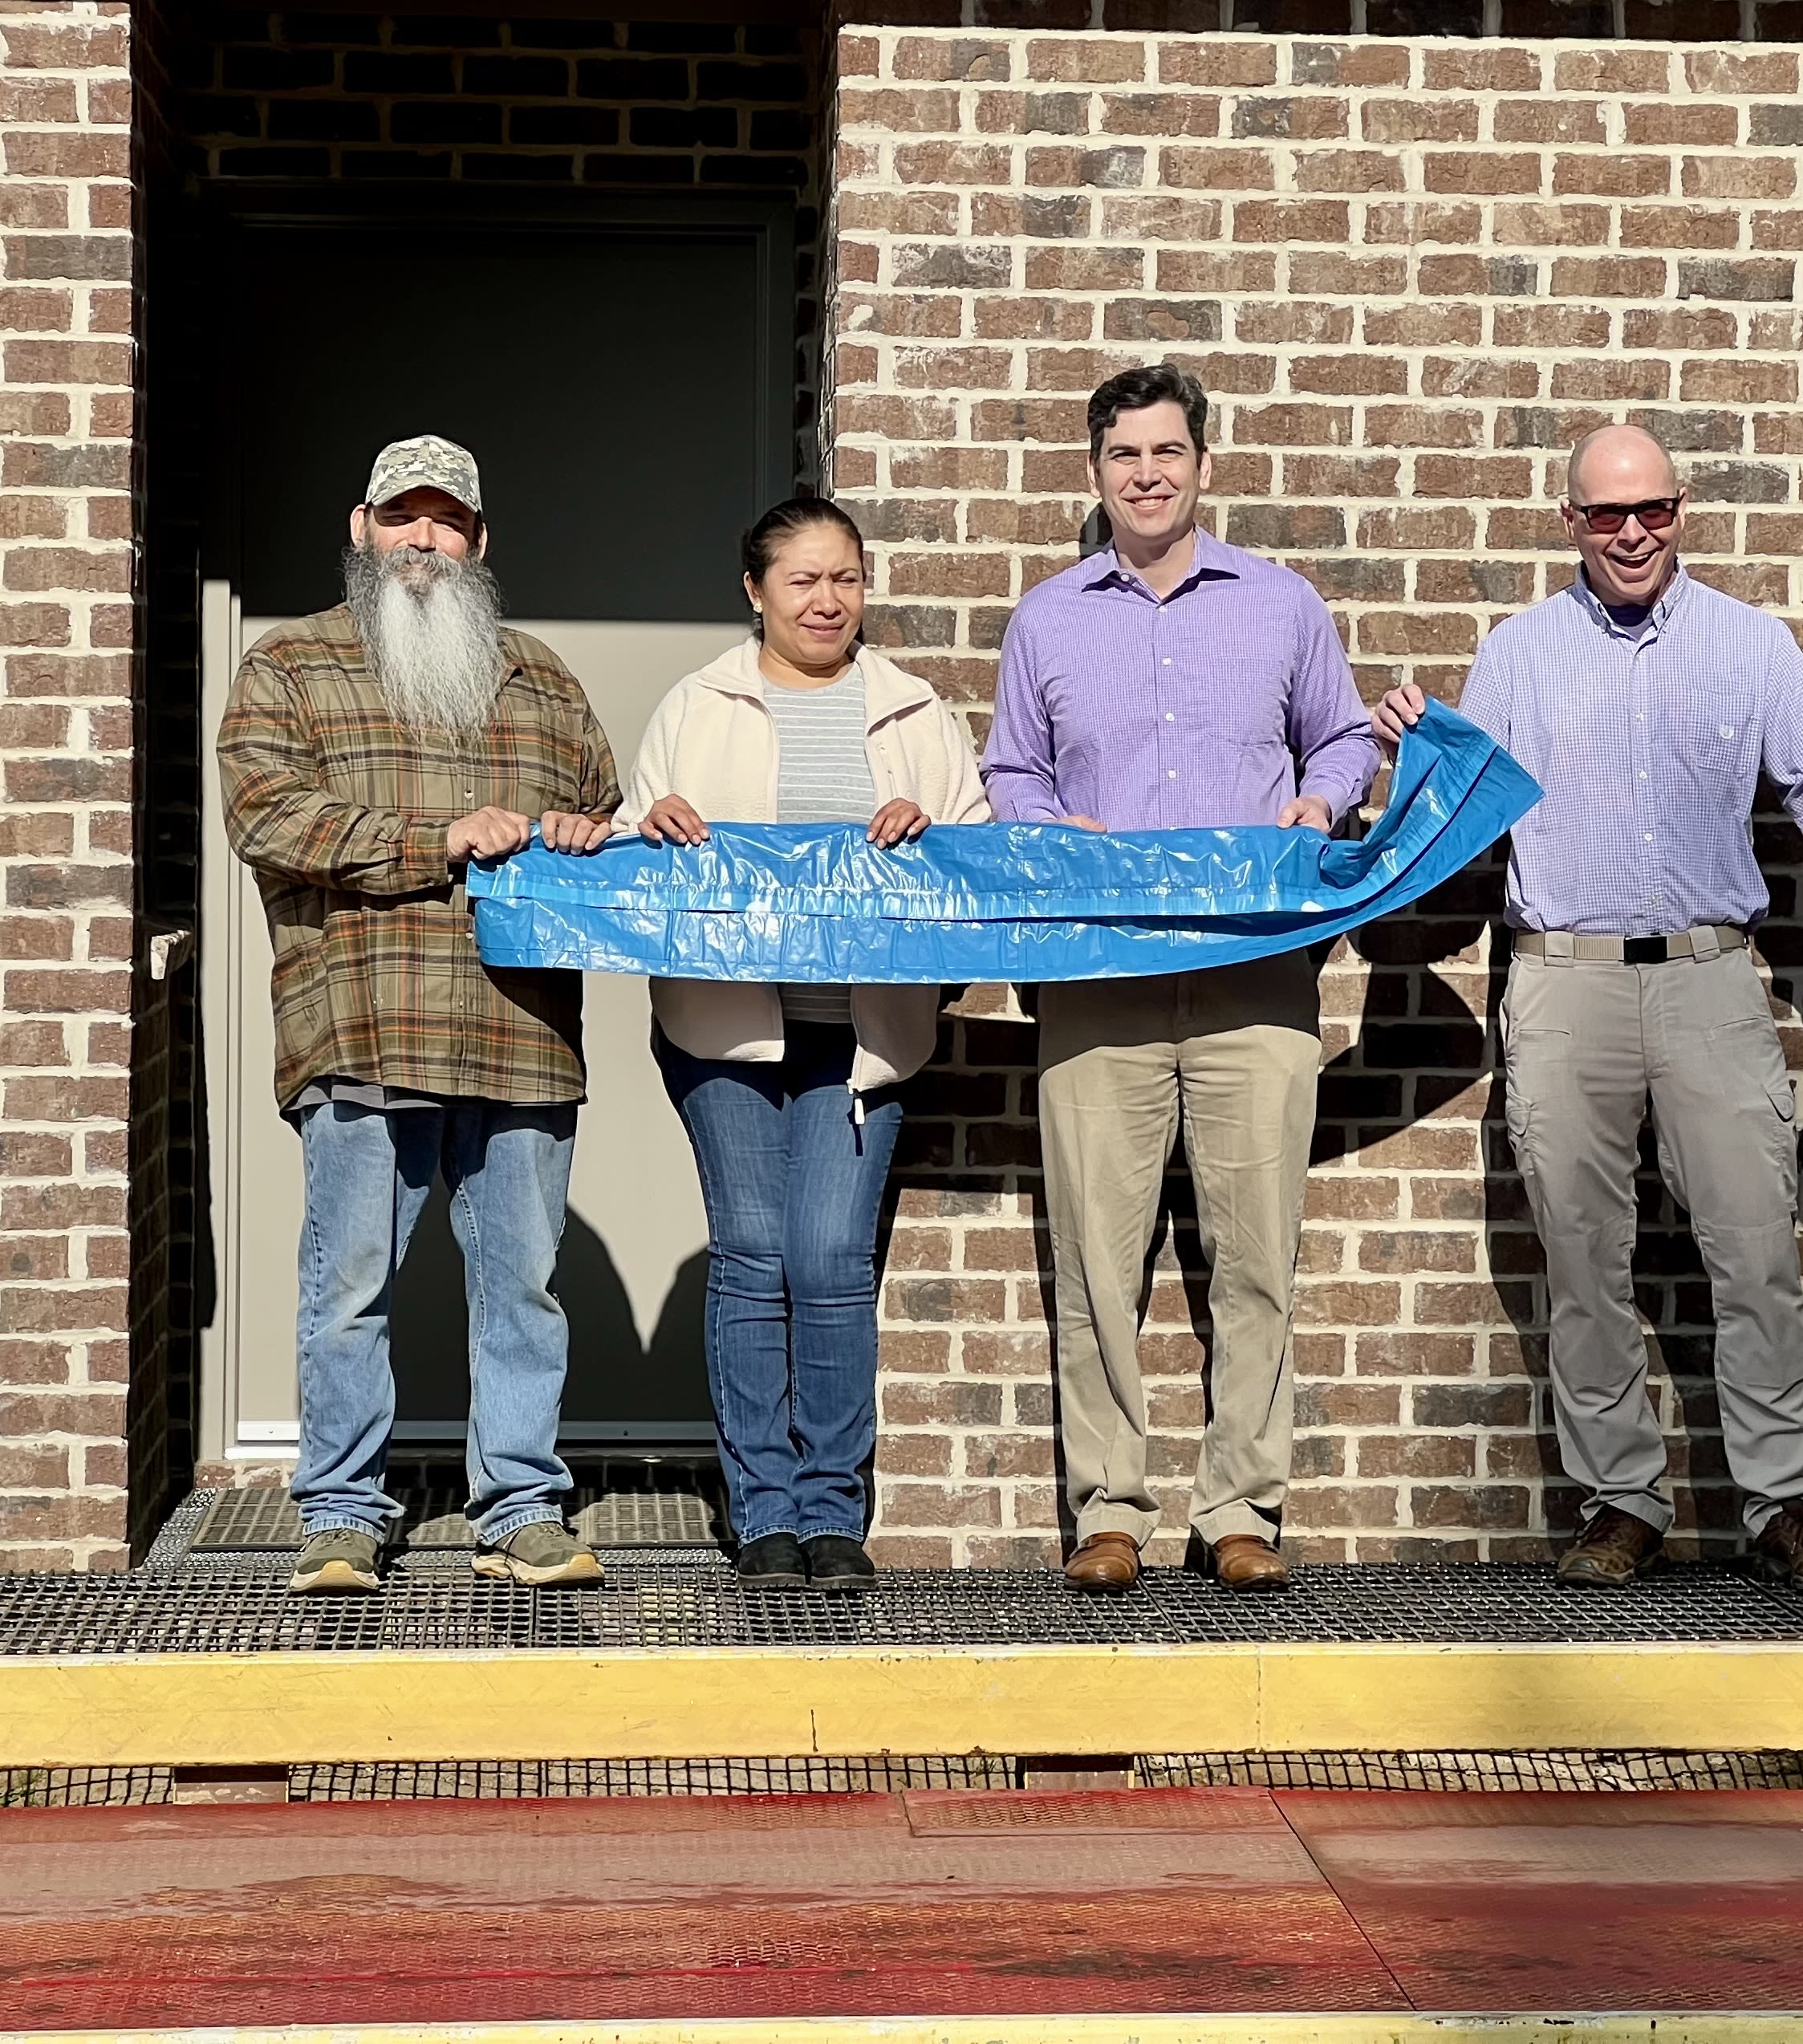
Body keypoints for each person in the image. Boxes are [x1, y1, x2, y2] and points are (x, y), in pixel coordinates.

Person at [1374, 422, 1803, 1593]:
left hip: (1712, 976)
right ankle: (1618, 1500)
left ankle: (1786, 1502)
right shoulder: (1517, 655)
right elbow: (1463, 821)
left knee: (1753, 1248)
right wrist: (1408, 761)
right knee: (1580, 1258)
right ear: (1568, 521)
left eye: (1655, 511)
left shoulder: (1750, 646)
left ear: (1683, 510)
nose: (1633, 533)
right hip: (1561, 979)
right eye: (1607, 514)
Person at [985, 363, 1379, 1595]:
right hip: (1099, 974)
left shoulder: (1280, 606)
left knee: (1257, 1253)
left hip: (1254, 973)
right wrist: (1055, 831)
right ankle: (1109, 1508)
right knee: (1097, 1259)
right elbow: (1009, 774)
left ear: (1204, 466)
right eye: (1122, 457)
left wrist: (1327, 797)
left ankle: (1241, 1508)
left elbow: (1349, 734)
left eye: (1167, 452)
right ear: (1095, 476)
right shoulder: (1048, 619)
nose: (1146, 474)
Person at [218, 435, 623, 1596]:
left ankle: (523, 1509)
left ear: (480, 542)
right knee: (348, 1289)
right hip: (363, 1023)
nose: (424, 542)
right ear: (363, 529)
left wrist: (590, 837)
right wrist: (433, 842)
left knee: (524, 1292)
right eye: (404, 518)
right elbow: (269, 815)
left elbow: (596, 810)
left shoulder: (542, 679)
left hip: (520, 1035)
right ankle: (341, 1515)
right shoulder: (291, 666)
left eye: (447, 522)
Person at [625, 497, 990, 1593]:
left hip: (863, 1036)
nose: (828, 600)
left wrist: (930, 836)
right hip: (723, 1030)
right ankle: (763, 1518)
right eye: (804, 580)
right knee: (751, 1256)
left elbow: (979, 859)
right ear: (755, 591)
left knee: (832, 1264)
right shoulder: (696, 707)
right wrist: (661, 823)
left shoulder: (915, 711)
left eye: (846, 579)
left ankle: (834, 1516)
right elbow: (638, 853)